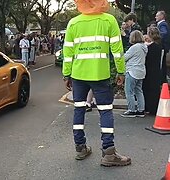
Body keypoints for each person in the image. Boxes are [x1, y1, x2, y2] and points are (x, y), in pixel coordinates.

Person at [63, 0, 131, 166]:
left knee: (79, 110)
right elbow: (117, 50)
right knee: (105, 111)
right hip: (100, 75)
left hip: (78, 75)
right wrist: (120, 71)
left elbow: (68, 51)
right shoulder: (108, 20)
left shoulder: (73, 23)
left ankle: (80, 148)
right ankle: (108, 152)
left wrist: (66, 74)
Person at [121, 30, 148, 118]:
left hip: (132, 71)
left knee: (129, 91)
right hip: (141, 71)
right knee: (139, 91)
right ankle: (141, 110)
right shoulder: (144, 47)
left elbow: (124, 58)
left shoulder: (134, 47)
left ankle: (131, 110)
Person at [143, 27, 163, 115]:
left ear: (150, 34)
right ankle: (154, 107)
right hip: (157, 70)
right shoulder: (160, 46)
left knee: (148, 89)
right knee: (155, 90)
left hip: (149, 70)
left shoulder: (150, 47)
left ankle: (149, 107)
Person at [155, 10, 170, 83]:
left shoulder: (162, 24)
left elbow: (164, 34)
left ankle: (161, 80)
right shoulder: (162, 24)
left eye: (157, 16)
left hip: (162, 47)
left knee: (161, 64)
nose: (155, 17)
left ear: (162, 16)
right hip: (163, 47)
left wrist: (156, 38)